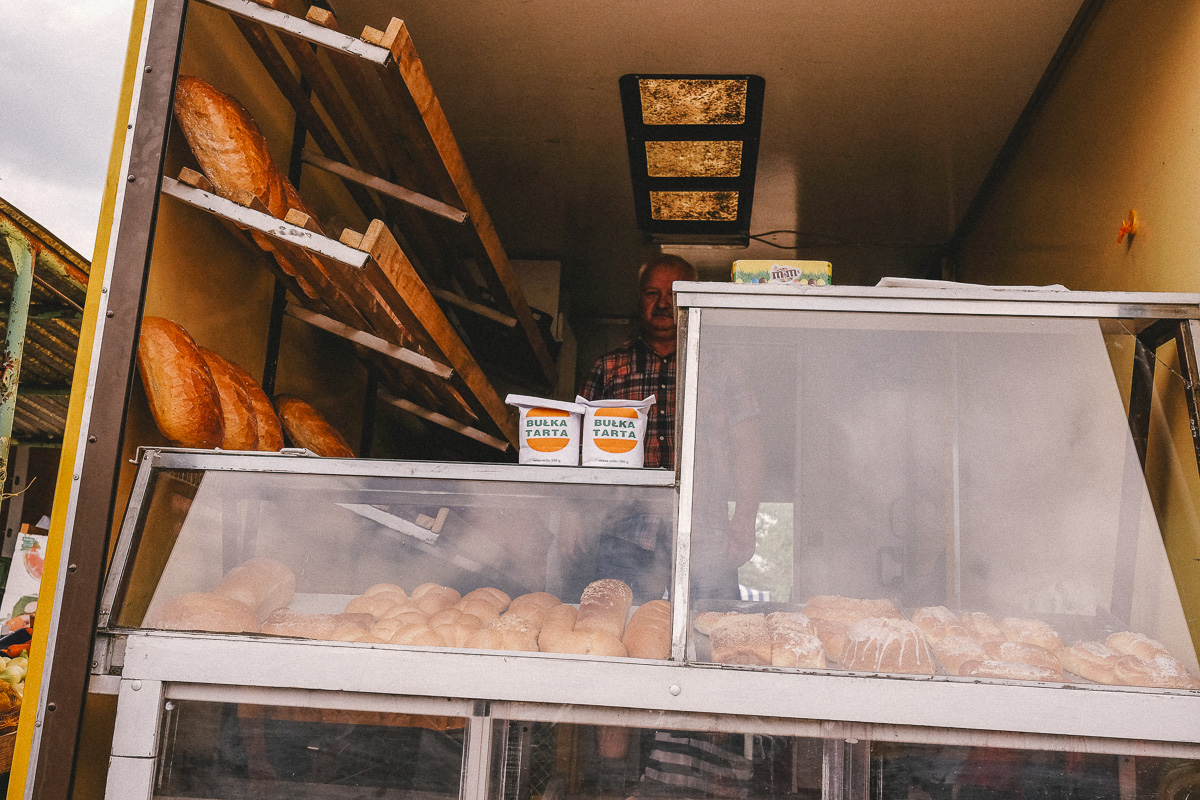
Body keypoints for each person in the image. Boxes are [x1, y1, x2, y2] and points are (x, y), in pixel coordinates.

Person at [581, 254, 763, 603]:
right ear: (639, 300)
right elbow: (577, 449)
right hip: (625, 533)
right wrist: (574, 517)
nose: (663, 303)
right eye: (652, 293)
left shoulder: (724, 369)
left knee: (712, 634)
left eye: (675, 292)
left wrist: (744, 520)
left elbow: (749, 447)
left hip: (707, 535)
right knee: (614, 631)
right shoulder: (608, 367)